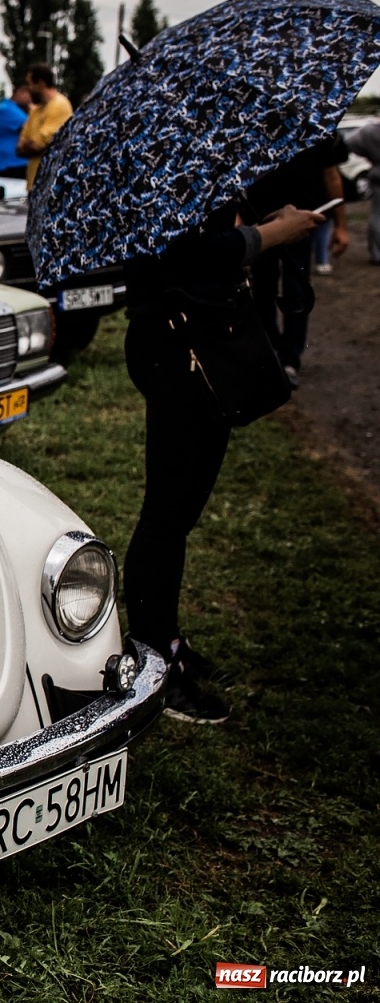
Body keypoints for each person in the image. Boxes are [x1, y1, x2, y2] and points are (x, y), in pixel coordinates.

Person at [122, 199, 324, 722]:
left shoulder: (174, 168)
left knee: (178, 513)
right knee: (167, 514)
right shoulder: (157, 170)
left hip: (188, 337)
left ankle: (164, 639)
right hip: (179, 344)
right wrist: (272, 234)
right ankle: (153, 664)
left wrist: (257, 227)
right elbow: (187, 253)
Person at [242, 135, 348, 384]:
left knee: (297, 291)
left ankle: (290, 358)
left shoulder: (313, 131)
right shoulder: (250, 131)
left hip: (302, 222)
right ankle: (272, 351)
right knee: (263, 289)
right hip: (261, 223)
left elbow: (332, 177)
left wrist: (341, 226)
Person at [16, 64, 73, 190]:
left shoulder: (59, 106)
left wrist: (31, 144)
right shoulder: (35, 110)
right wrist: (31, 144)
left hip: (52, 185)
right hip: (34, 184)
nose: (28, 89)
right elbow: (20, 146)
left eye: (30, 84)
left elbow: (37, 145)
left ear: (41, 84)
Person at [344, 120, 380, 264]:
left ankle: (378, 253)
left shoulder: (370, 130)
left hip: (378, 171)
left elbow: (349, 142)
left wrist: (370, 155)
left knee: (378, 214)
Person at [0, 83, 31, 179]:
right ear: (22, 92)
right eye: (31, 95)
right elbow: (31, 128)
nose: (31, 99)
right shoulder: (7, 109)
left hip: (14, 163)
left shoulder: (11, 108)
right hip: (12, 164)